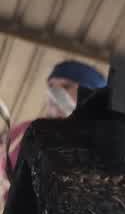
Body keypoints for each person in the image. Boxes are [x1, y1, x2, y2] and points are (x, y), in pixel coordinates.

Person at [1, 60, 107, 197]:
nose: (54, 93)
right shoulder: (27, 130)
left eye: (66, 86)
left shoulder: (104, 140)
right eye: (51, 86)